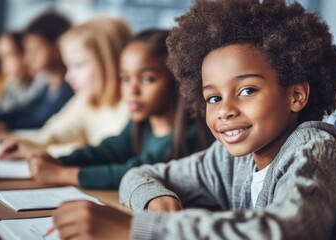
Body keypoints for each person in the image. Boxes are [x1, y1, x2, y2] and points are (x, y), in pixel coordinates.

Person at [52, 1, 336, 239]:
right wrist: (156, 199)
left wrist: (136, 231)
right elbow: (140, 175)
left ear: (296, 95)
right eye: (213, 98)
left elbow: (285, 232)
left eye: (247, 90)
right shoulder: (230, 160)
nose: (225, 109)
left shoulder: (316, 150)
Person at [14, 29, 213, 189]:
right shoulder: (141, 124)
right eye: (125, 79)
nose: (131, 90)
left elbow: (137, 171)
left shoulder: (190, 134)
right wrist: (59, 161)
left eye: (147, 79)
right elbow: (108, 150)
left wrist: (61, 174)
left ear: (177, 81)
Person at [0, 16, 131, 156]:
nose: (68, 77)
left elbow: (108, 157)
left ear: (109, 62)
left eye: (78, 65)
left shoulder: (132, 108)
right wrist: (10, 142)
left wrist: (38, 152)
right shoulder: (86, 101)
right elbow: (50, 136)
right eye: (68, 66)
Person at [0, 12, 73, 130]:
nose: (28, 58)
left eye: (36, 49)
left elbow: (42, 118)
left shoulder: (71, 86)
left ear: (58, 46)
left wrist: (7, 125)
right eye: (28, 50)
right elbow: (27, 111)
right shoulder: (48, 87)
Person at [0, 31, 35, 113]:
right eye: (2, 59)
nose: (4, 65)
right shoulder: (11, 85)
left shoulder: (43, 83)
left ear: (25, 53)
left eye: (9, 55)